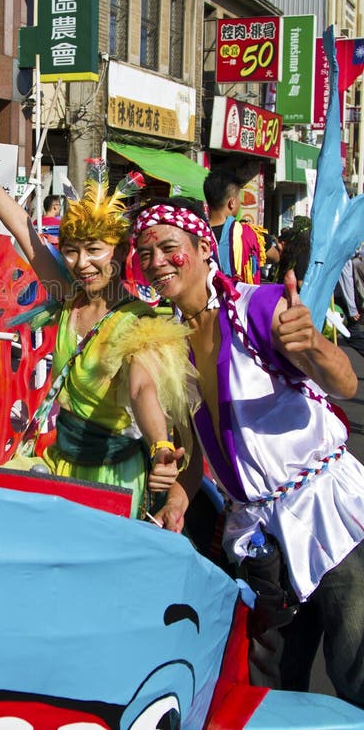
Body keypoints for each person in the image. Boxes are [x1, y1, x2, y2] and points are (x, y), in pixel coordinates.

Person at [133, 198, 364, 706]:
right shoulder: (171, 343)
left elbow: (344, 381)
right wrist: (179, 498)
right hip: (260, 538)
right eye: (145, 253)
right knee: (271, 687)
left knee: (355, 666)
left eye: (169, 248)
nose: (155, 262)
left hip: (329, 514)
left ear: (202, 247)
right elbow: (198, 450)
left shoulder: (257, 306)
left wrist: (313, 345)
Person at [0, 133, 197, 518]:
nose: (80, 262)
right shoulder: (68, 293)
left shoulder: (141, 322)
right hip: (61, 462)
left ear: (120, 253)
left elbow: (142, 388)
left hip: (113, 478)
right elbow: (23, 229)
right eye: (71, 250)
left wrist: (160, 447)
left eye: (94, 250)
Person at [203, 169, 262, 283]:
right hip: (237, 298)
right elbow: (274, 256)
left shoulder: (196, 234)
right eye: (240, 199)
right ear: (232, 202)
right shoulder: (247, 234)